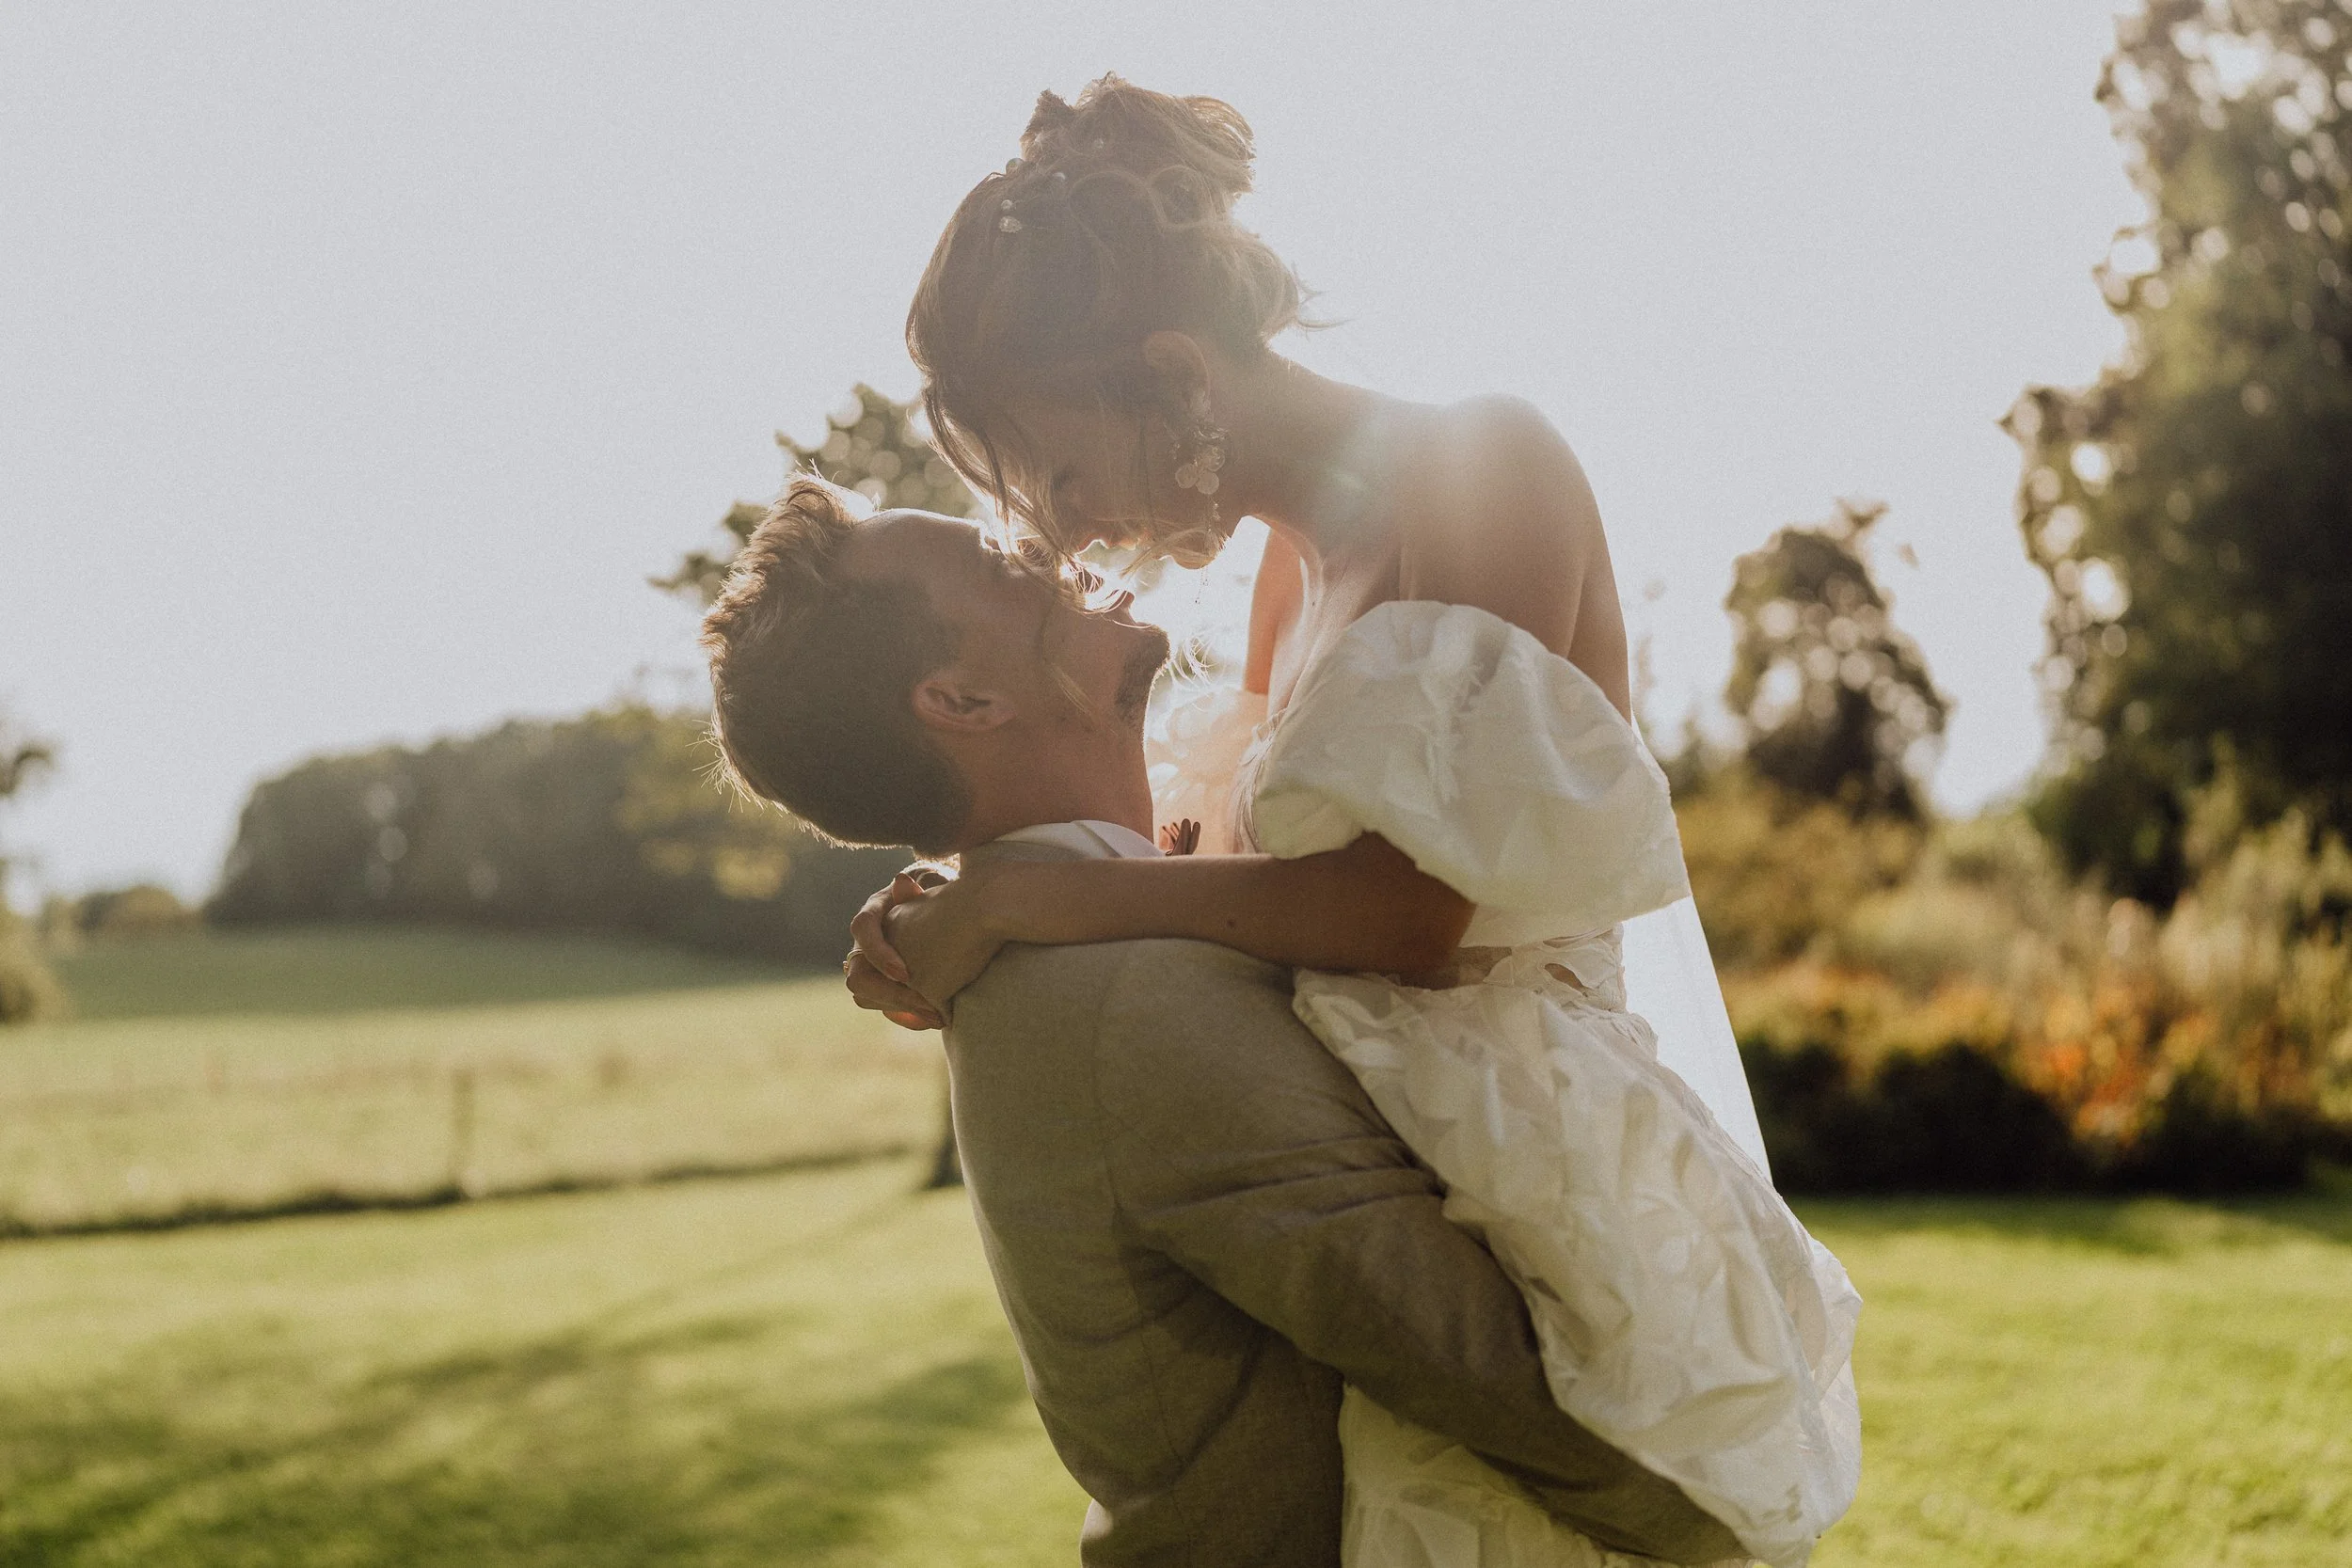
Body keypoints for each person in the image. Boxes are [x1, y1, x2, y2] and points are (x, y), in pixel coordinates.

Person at [841, 76, 1861, 1568]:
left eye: (1059, 467)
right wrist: (969, 884)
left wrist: (1041, 906)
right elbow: (1241, 896)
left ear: (1175, 370)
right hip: (1379, 1173)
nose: (1061, 526)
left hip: (1540, 1190)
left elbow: (1405, 912)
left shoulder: (1485, 466)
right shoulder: (1277, 575)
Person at [700, 480, 1747, 1568]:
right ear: (960, 700)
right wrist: (1726, 1507)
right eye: (1005, 564)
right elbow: (1525, 1400)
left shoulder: (1081, 929)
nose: (1047, 544)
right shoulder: (1125, 1006)